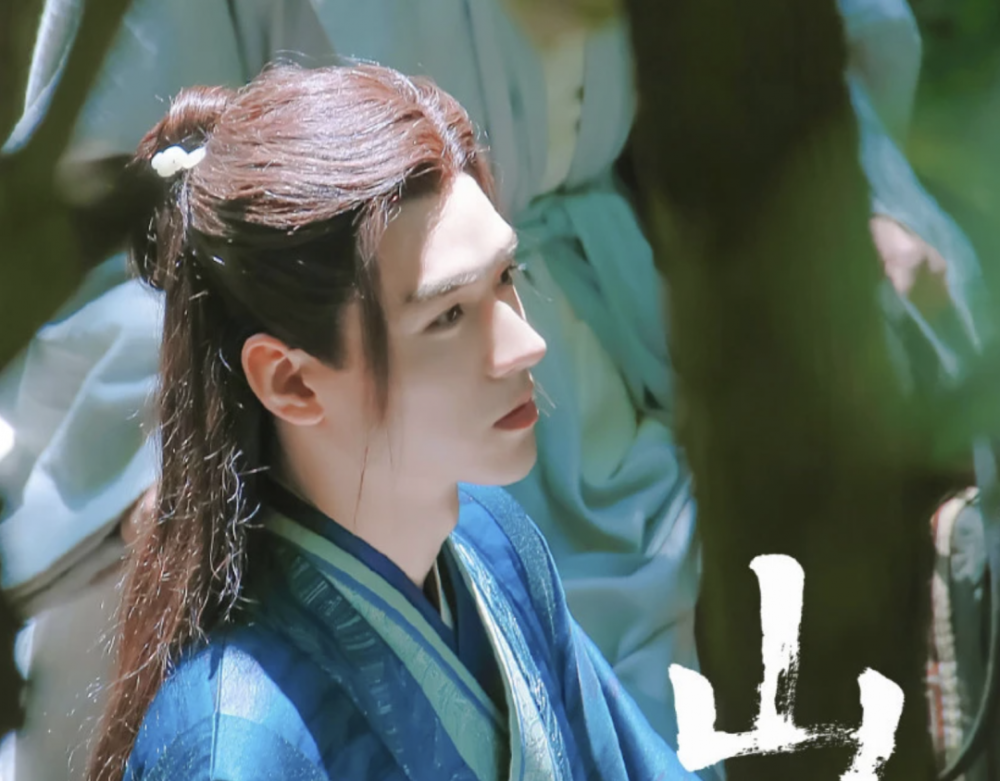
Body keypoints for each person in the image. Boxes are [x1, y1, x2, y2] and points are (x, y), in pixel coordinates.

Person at [85, 62, 697, 781]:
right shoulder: (240, 742)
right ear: (291, 381)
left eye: (505, 277)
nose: (525, 344)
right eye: (448, 315)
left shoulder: (496, 546)